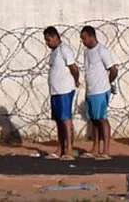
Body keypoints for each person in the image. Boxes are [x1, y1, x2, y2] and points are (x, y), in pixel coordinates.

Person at [79, 25, 118, 160]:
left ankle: (106, 150)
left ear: (91, 36)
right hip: (91, 90)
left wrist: (107, 83)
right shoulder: (86, 52)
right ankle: (95, 148)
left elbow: (113, 70)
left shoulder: (102, 51)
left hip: (101, 90)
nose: (83, 42)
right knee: (94, 120)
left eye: (84, 39)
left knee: (102, 118)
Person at [44, 26, 79, 161]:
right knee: (59, 120)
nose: (47, 43)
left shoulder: (64, 49)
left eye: (48, 40)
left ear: (55, 37)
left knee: (66, 120)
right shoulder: (54, 52)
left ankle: (69, 150)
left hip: (65, 90)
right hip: (55, 91)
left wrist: (75, 80)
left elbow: (74, 68)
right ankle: (61, 148)